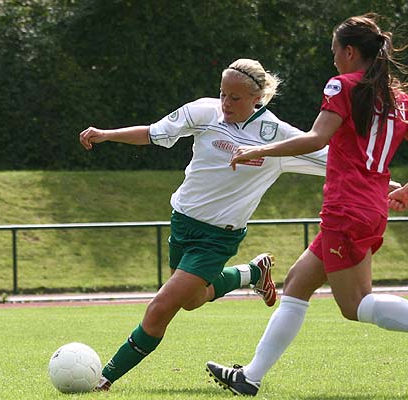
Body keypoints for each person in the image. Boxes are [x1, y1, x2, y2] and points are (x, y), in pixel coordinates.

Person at [206, 14, 408, 396]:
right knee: (297, 283)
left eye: (334, 51)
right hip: (369, 210)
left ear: (349, 52)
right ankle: (250, 377)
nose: (333, 59)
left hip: (346, 210)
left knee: (355, 305)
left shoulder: (342, 86)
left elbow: (317, 139)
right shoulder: (399, 99)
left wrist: (259, 150)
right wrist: (407, 190)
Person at [78, 58, 328, 391]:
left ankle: (104, 378)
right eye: (223, 94)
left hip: (217, 239)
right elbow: (153, 133)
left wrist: (387, 184)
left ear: (257, 98)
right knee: (192, 300)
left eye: (235, 98)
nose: (226, 103)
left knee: (160, 308)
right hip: (181, 223)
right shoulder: (204, 112)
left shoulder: (278, 136)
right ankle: (252, 272)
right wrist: (106, 134)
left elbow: (336, 161)